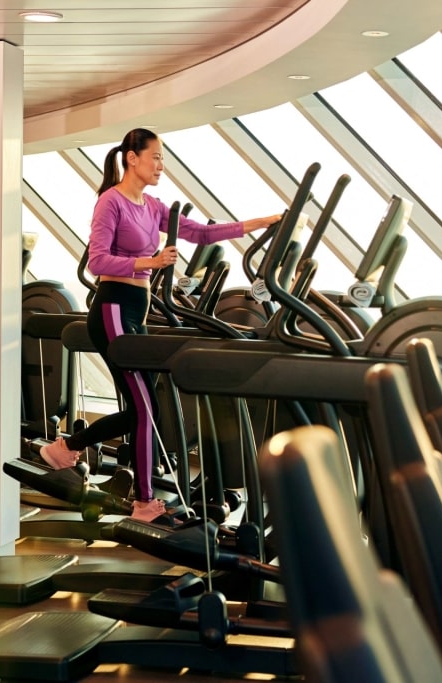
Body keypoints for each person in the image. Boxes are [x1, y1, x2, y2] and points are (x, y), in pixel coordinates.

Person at [40, 127, 280, 522]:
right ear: (132, 158)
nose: (161, 165)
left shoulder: (152, 205)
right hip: (114, 307)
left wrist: (261, 222)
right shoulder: (110, 203)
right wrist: (149, 263)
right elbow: (97, 261)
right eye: (155, 157)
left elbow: (201, 232)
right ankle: (143, 502)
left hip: (137, 308)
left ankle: (66, 449)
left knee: (144, 407)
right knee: (145, 404)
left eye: (163, 159)